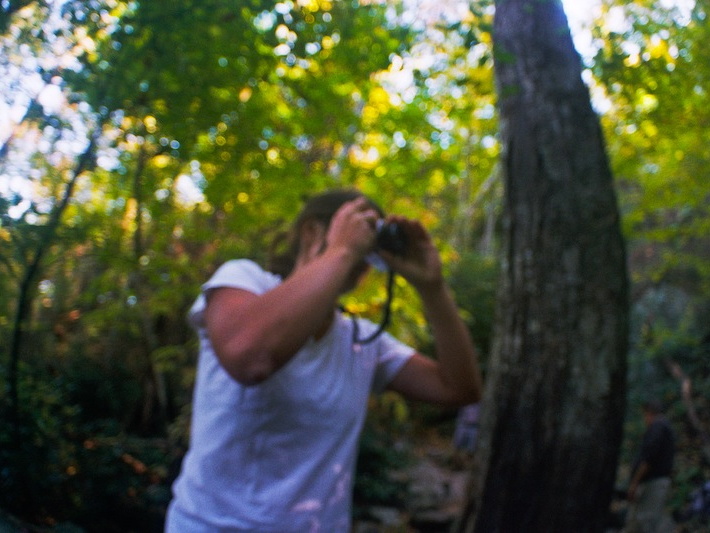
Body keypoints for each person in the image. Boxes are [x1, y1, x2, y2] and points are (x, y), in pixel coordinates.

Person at [165, 189, 482, 532]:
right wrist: (342, 250)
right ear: (312, 232)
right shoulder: (245, 282)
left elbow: (458, 388)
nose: (364, 252)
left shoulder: (362, 341)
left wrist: (431, 287)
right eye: (359, 231)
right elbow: (251, 357)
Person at [624, 399, 675, 533]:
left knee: (644, 521)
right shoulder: (665, 428)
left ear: (649, 413)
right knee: (640, 521)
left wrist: (634, 483)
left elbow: (648, 457)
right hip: (656, 481)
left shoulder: (658, 427)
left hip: (653, 483)